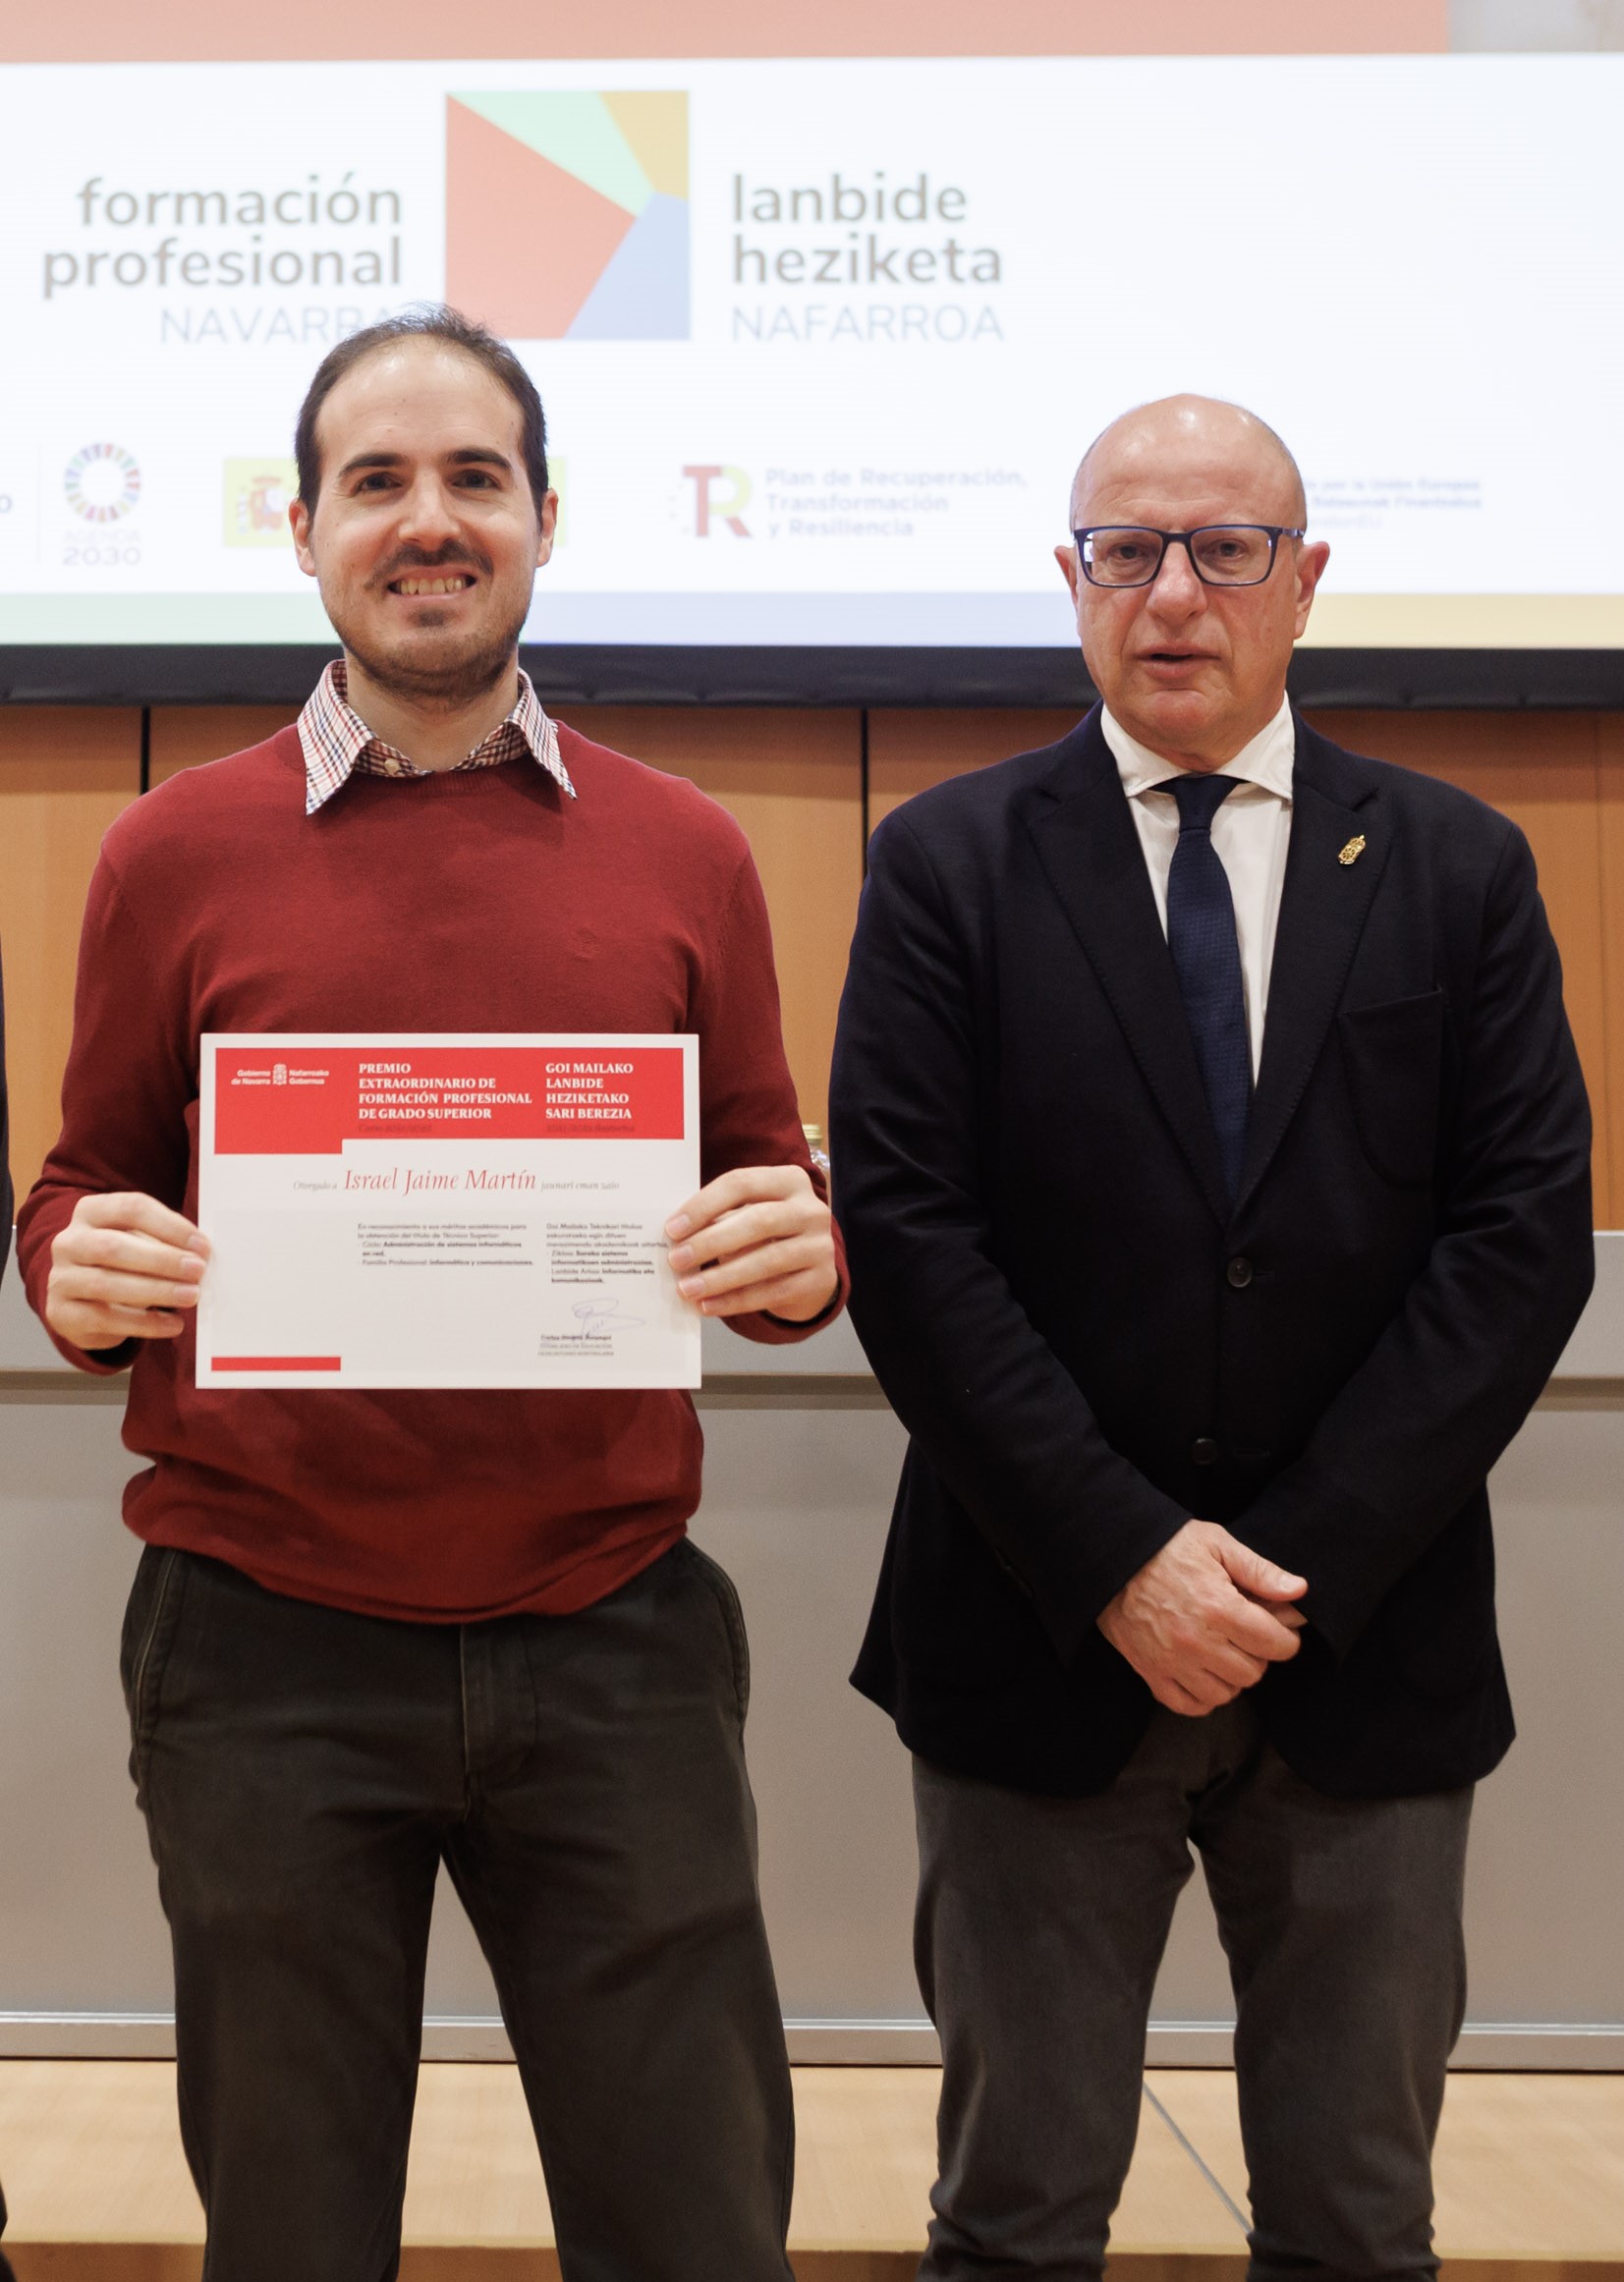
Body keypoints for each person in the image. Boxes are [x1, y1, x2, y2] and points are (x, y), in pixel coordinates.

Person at [18, 306, 843, 2282]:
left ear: (545, 516)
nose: (427, 518)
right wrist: (75, 1266)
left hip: (613, 1638)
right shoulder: (166, 850)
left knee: (693, 2227)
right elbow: (80, 1189)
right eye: (375, 480)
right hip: (260, 1652)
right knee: (292, 2239)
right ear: (299, 527)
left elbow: (763, 1178)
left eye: (473, 475)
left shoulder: (688, 848)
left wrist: (802, 1252)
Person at [828, 394, 1594, 2282]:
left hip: (1364, 1647)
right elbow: (912, 1245)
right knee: (1014, 2215)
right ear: (1069, 581)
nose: (1171, 594)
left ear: (1304, 579)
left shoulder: (1455, 865)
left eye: (1222, 549)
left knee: (1355, 2218)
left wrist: (1281, 1572)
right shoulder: (945, 865)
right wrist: (1121, 1562)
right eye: (1124, 551)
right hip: (1035, 1633)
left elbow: (1518, 1248)